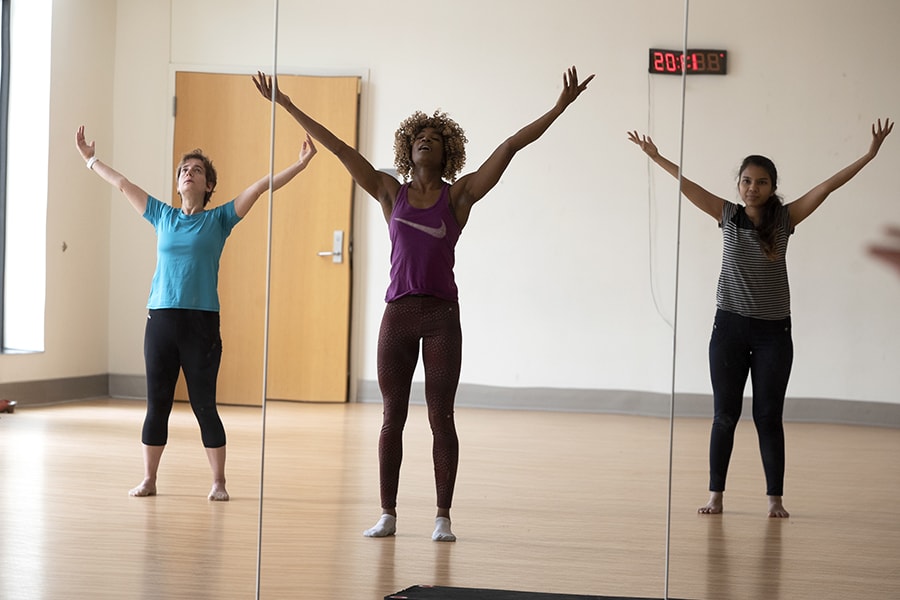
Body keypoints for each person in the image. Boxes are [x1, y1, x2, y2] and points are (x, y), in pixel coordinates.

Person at [254, 66, 593, 540]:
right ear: (408, 150)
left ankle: (442, 517)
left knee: (441, 416)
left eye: (435, 138)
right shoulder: (389, 191)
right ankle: (388, 513)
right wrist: (288, 106)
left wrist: (558, 108)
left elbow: (511, 146)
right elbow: (338, 149)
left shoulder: (460, 197)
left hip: (440, 318)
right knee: (392, 415)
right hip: (398, 314)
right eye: (419, 137)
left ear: (446, 151)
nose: (426, 141)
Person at [628, 118, 893, 518]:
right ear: (739, 184)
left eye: (762, 182)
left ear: (772, 187)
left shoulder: (785, 219)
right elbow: (688, 186)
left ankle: (775, 500)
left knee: (768, 416)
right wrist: (656, 156)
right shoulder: (728, 216)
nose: (753, 188)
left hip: (773, 333)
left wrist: (869, 155)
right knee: (725, 415)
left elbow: (827, 186)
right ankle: (715, 496)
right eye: (747, 181)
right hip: (729, 329)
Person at [75, 125, 317, 501]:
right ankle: (149, 479)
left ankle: (219, 481)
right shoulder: (162, 215)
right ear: (178, 184)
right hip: (161, 320)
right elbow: (122, 184)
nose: (189, 172)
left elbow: (260, 187)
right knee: (158, 404)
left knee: (205, 404)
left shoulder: (219, 219)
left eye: (197, 170)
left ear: (208, 186)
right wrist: (90, 159)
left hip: (201, 323)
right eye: (184, 169)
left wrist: (299, 166)